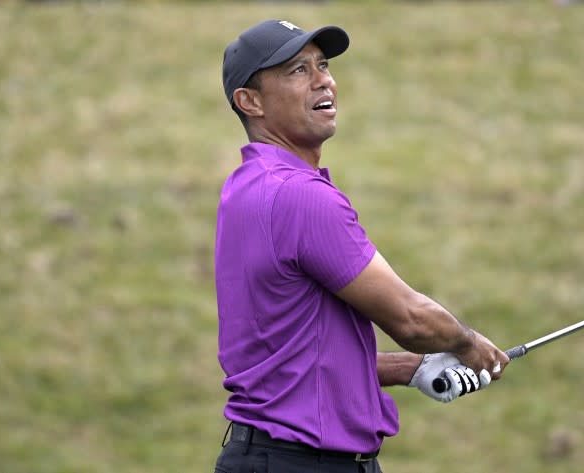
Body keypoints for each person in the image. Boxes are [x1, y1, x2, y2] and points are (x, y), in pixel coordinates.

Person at [213, 19, 510, 473]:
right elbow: (410, 318)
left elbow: (294, 360)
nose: (323, 79)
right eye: (297, 70)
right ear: (250, 101)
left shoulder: (248, 188)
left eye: (323, 65)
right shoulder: (300, 196)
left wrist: (411, 368)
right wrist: (469, 345)